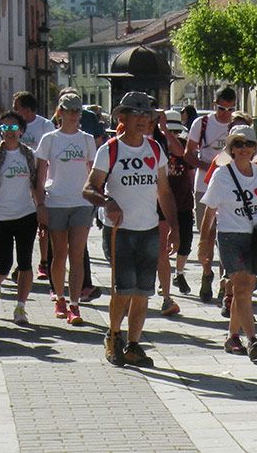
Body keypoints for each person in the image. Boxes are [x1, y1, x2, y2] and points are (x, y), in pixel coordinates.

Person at [85, 91, 178, 367]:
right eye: (136, 113)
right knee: (123, 290)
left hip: (148, 229)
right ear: (122, 117)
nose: (142, 119)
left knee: (143, 292)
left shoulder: (154, 150)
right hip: (120, 231)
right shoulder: (110, 149)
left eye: (146, 114)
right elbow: (89, 188)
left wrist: (174, 226)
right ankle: (114, 336)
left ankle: (134, 344)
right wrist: (107, 201)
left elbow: (164, 191)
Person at [201, 124, 257, 359]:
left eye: (248, 144)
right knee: (241, 285)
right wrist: (204, 243)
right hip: (230, 235)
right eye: (238, 144)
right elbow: (209, 211)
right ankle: (252, 339)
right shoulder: (222, 175)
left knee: (245, 289)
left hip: (255, 236)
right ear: (231, 149)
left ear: (255, 149)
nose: (243, 149)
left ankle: (232, 337)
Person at [35, 93, 99, 325]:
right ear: (60, 112)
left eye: (77, 111)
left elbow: (94, 172)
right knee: (59, 254)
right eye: (69, 111)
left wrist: (97, 200)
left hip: (81, 202)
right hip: (56, 201)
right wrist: (40, 204)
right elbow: (40, 174)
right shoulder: (49, 139)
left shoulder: (87, 139)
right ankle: (59, 297)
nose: (74, 115)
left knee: (77, 255)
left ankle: (75, 304)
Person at [0, 111, 39, 324]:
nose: (9, 132)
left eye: (13, 128)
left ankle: (21, 307)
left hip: (26, 215)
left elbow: (36, 185)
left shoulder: (30, 155)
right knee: (3, 264)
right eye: (4, 128)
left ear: (21, 131)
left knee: (25, 264)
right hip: (0, 216)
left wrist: (41, 209)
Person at [185, 86, 237, 303]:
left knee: (227, 236)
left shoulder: (237, 125)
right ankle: (207, 273)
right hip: (204, 187)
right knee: (207, 235)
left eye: (230, 109)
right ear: (214, 105)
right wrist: (211, 167)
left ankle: (226, 282)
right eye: (221, 108)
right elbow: (189, 154)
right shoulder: (202, 123)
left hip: (231, 188)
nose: (225, 113)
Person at [13, 90, 56, 280]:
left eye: (17, 108)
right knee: (24, 225)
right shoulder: (12, 126)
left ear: (27, 109)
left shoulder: (45, 125)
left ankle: (44, 261)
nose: (14, 111)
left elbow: (51, 154)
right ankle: (23, 264)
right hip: (19, 180)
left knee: (43, 224)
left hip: (39, 179)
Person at [152, 109, 187, 317]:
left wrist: (164, 127)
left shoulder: (160, 139)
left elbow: (180, 152)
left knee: (162, 251)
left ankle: (166, 296)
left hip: (160, 199)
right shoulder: (124, 137)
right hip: (137, 203)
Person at [162, 110, 194, 312]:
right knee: (163, 245)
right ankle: (163, 279)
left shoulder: (183, 148)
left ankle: (179, 272)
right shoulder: (157, 147)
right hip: (163, 203)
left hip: (183, 202)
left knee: (186, 242)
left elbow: (190, 173)